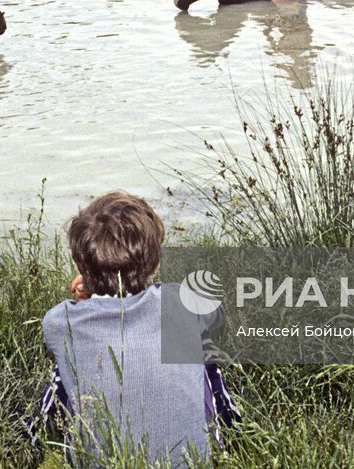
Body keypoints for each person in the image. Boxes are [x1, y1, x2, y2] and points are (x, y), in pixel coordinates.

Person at [36, 191, 237, 467]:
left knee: (66, 370)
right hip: (192, 463)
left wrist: (88, 299)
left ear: (80, 266)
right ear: (155, 265)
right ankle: (231, 433)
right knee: (202, 354)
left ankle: (35, 440)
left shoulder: (61, 322)